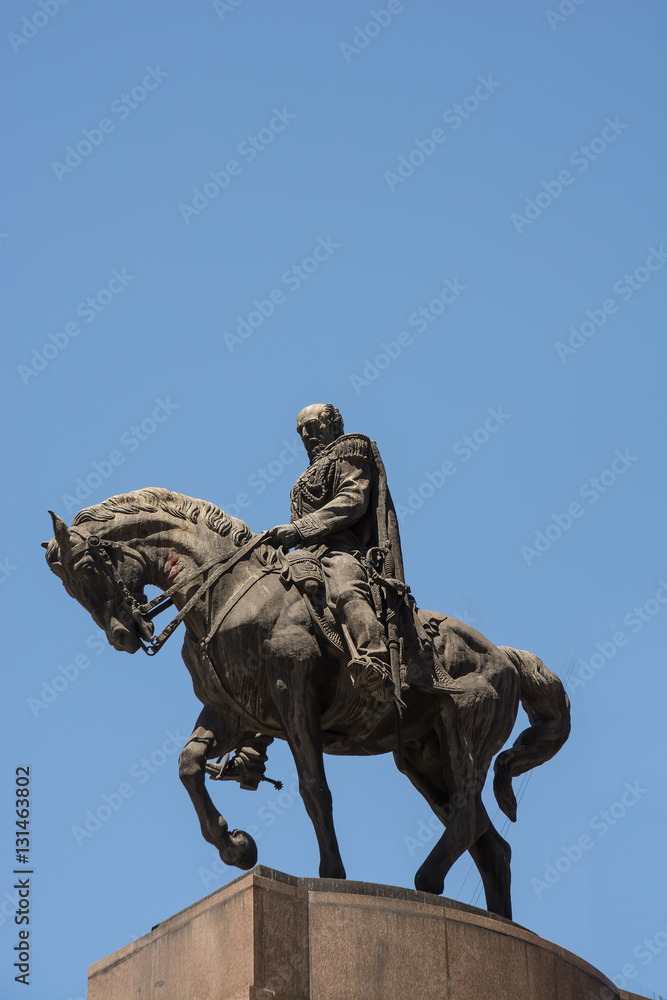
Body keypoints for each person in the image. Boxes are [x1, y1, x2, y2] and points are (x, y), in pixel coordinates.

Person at [266, 403, 397, 698]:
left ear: (334, 425)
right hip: (304, 554)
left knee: (345, 585)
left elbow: (353, 500)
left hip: (343, 550)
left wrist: (300, 529)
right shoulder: (303, 478)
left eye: (313, 427)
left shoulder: (350, 449)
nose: (307, 436)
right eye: (301, 432)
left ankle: (374, 660)